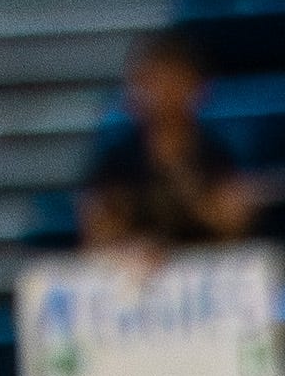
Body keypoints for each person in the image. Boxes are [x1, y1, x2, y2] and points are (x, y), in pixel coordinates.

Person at [79, 34, 260, 254]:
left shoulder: (218, 153)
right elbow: (97, 232)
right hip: (133, 268)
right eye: (151, 80)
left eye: (174, 79)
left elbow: (234, 225)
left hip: (206, 263)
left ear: (198, 86)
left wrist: (185, 181)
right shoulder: (116, 158)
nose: (163, 92)